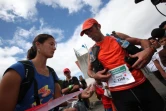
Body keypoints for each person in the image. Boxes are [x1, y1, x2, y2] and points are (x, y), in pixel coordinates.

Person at [80, 18, 165, 111]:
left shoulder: (116, 37)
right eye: (87, 33)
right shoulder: (92, 51)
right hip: (118, 93)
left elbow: (142, 41)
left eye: (90, 30)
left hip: (140, 84)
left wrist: (149, 50)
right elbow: (89, 70)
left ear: (98, 26)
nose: (89, 34)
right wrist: (95, 75)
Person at [0, 34, 62, 111]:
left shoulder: (52, 72)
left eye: (55, 45)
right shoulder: (19, 70)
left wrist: (78, 95)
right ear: (38, 45)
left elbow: (58, 100)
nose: (54, 48)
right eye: (51, 44)